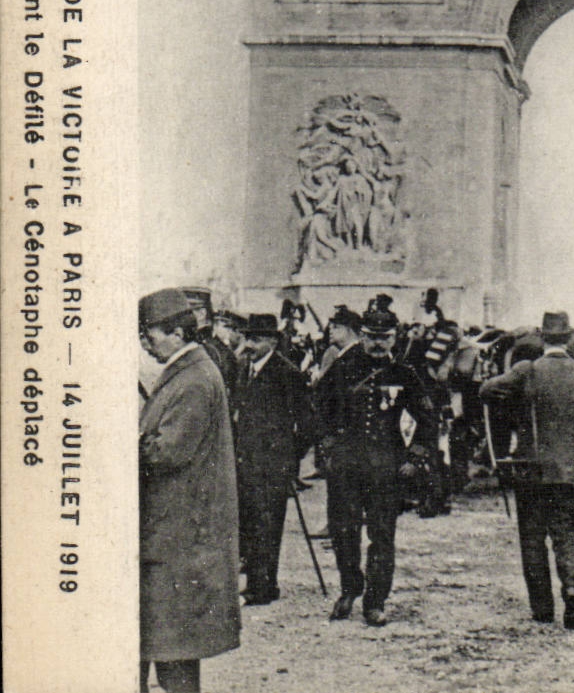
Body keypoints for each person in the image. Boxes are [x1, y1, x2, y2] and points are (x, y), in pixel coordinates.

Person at [479, 310, 574, 628]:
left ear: (542, 337)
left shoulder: (526, 370)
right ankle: (571, 589)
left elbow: (485, 391)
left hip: (531, 472)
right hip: (570, 473)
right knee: (569, 535)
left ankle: (542, 608)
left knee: (533, 538)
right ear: (569, 338)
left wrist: (516, 409)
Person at [139, 288, 241, 692]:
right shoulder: (189, 372)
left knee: (174, 652)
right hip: (175, 530)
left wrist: (127, 441)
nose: (145, 343)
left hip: (180, 534)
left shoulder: (195, 378)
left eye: (151, 335)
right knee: (168, 647)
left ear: (178, 334)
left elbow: (168, 451)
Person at [313, 305, 438, 626]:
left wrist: (415, 457)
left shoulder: (405, 373)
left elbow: (427, 419)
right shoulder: (342, 369)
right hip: (346, 465)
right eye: (371, 337)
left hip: (387, 467)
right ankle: (349, 587)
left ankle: (375, 600)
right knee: (343, 530)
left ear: (394, 338)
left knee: (382, 534)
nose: (378, 344)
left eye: (385, 338)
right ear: (362, 336)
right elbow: (318, 409)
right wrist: (327, 445)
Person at [231, 313, 313, 606]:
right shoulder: (244, 368)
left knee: (267, 527)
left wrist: (289, 458)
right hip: (245, 463)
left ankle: (263, 588)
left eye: (255, 339)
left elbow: (307, 424)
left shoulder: (287, 373)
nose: (248, 345)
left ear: (272, 341)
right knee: (250, 524)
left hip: (272, 466)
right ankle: (253, 581)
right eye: (246, 338)